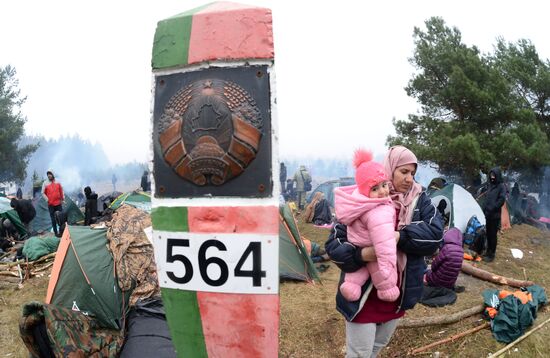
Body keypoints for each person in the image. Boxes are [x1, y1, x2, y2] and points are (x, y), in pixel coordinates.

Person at [326, 145, 443, 358]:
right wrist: (362, 255)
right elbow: (334, 244)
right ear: (390, 169)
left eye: (413, 173)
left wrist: (401, 237)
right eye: (404, 171)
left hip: (398, 294)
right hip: (363, 296)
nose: (410, 179)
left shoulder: (420, 201)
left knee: (376, 348)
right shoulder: (361, 198)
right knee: (359, 353)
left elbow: (435, 235)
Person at [334, 149, 399, 302]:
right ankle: (387, 290)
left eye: (384, 185)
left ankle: (351, 286)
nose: (383, 192)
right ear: (365, 191)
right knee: (383, 279)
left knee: (356, 275)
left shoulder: (357, 202)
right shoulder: (378, 211)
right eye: (375, 189)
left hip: (357, 244)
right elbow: (384, 243)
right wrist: (387, 267)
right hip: (375, 250)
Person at [482, 167, 506, 262]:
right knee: (488, 233)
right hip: (488, 214)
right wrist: (484, 208)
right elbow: (487, 198)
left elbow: (502, 199)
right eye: (491, 175)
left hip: (494, 215)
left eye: (494, 175)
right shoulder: (490, 185)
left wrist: (493, 207)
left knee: (492, 235)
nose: (492, 177)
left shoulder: (501, 186)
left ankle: (492, 254)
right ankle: (488, 251)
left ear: (497, 176)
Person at [42, 170, 64, 237]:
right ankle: (56, 233)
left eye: (50, 174)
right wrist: (47, 199)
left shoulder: (58, 182)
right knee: (53, 219)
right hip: (51, 204)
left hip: (58, 203)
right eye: (48, 174)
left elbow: (61, 190)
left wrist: (62, 198)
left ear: (53, 174)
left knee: (61, 218)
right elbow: (42, 193)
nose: (49, 175)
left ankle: (62, 231)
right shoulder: (45, 183)